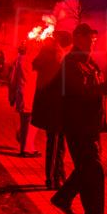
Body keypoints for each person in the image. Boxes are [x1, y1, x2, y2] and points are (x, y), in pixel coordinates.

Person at [50, 23, 107, 214]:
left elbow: (93, 89)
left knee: (87, 169)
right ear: (77, 39)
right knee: (94, 171)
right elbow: (78, 93)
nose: (92, 43)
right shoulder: (71, 63)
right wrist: (103, 88)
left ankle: (63, 197)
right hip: (78, 126)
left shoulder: (90, 63)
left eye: (94, 40)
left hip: (91, 125)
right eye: (88, 39)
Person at [32, 31, 73, 189]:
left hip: (51, 106)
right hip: (55, 106)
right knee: (55, 144)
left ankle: (58, 174)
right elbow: (59, 83)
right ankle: (52, 178)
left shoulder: (49, 52)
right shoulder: (56, 55)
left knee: (57, 143)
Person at [9, 43, 40, 157]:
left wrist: (11, 95)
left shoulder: (19, 60)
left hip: (26, 95)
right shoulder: (28, 60)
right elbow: (14, 79)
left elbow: (12, 79)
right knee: (28, 123)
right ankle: (25, 149)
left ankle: (29, 147)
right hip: (27, 95)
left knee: (29, 123)